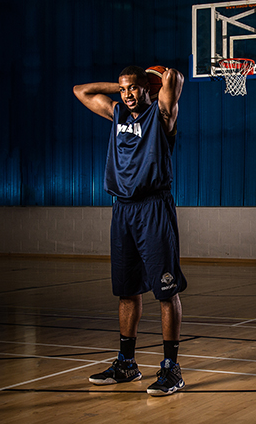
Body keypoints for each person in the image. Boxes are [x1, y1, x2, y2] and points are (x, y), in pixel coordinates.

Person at [73, 65, 186, 396]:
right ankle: (126, 363)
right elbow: (80, 90)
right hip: (123, 209)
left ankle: (171, 368)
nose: (127, 94)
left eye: (134, 89)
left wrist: (151, 79)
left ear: (147, 89)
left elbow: (175, 79)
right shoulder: (117, 113)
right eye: (123, 90)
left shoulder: (161, 116)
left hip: (154, 208)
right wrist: (121, 86)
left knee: (165, 290)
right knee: (127, 290)